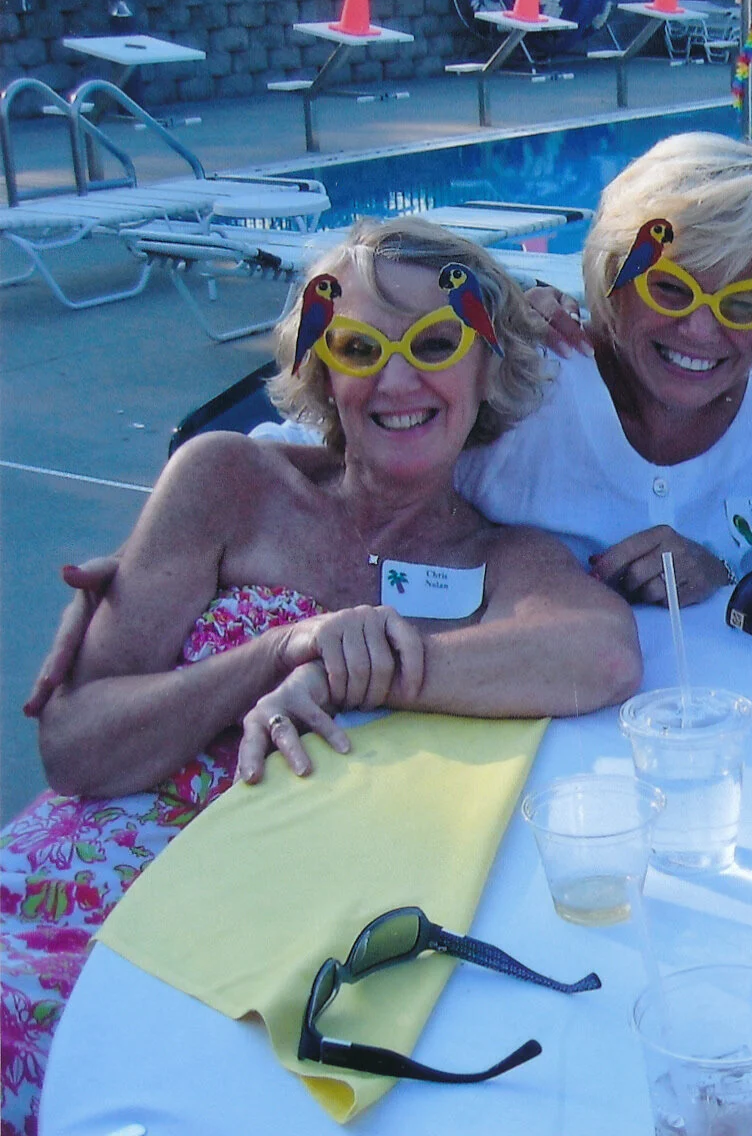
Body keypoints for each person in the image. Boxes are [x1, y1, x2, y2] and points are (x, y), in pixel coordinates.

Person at [2, 219, 643, 1136]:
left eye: (434, 343)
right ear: (322, 368)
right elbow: (74, 747)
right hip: (85, 871)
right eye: (358, 347)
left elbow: (601, 654)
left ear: (483, 365)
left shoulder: (504, 557)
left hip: (268, 907)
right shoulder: (229, 481)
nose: (396, 379)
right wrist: (279, 652)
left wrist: (355, 678)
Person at [461, 132, 752, 607]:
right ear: (614, 278)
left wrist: (716, 571)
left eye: (742, 303)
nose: (699, 330)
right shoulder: (522, 390)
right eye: (671, 288)